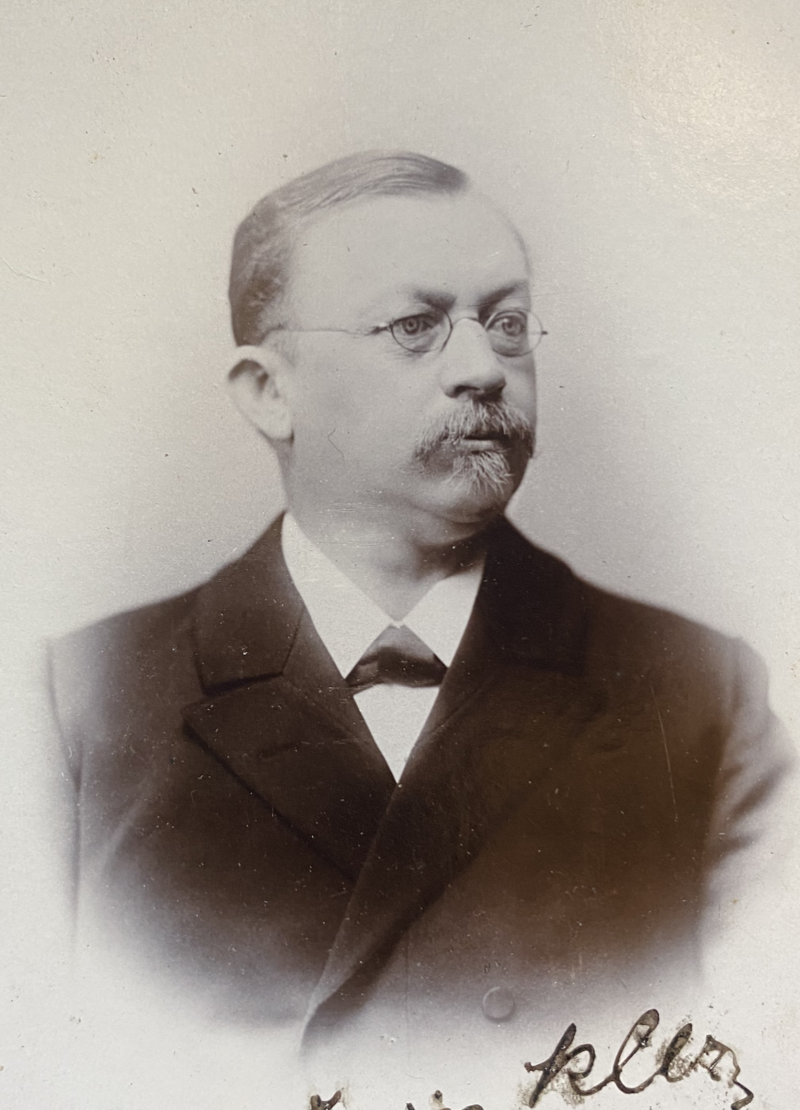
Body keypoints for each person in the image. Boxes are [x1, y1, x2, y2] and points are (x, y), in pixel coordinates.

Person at [49, 152, 791, 1086]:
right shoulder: (73, 704)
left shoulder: (702, 695)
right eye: (415, 327)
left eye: (507, 323)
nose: (484, 369)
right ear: (269, 392)